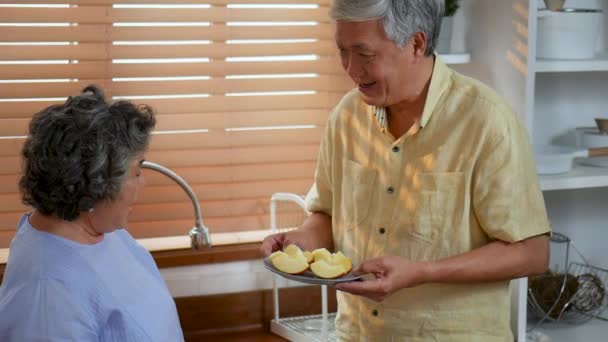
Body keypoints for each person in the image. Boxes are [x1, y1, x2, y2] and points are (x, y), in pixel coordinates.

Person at [261, 0, 551, 340]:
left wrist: (424, 272)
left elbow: (532, 252)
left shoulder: (487, 122)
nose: (351, 68)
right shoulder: (346, 117)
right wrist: (300, 241)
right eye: (342, 50)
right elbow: (326, 213)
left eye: (364, 54)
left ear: (416, 43)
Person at [0, 86, 184, 341]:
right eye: (137, 172)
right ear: (96, 186)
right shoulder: (48, 297)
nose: (143, 183)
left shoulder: (97, 227)